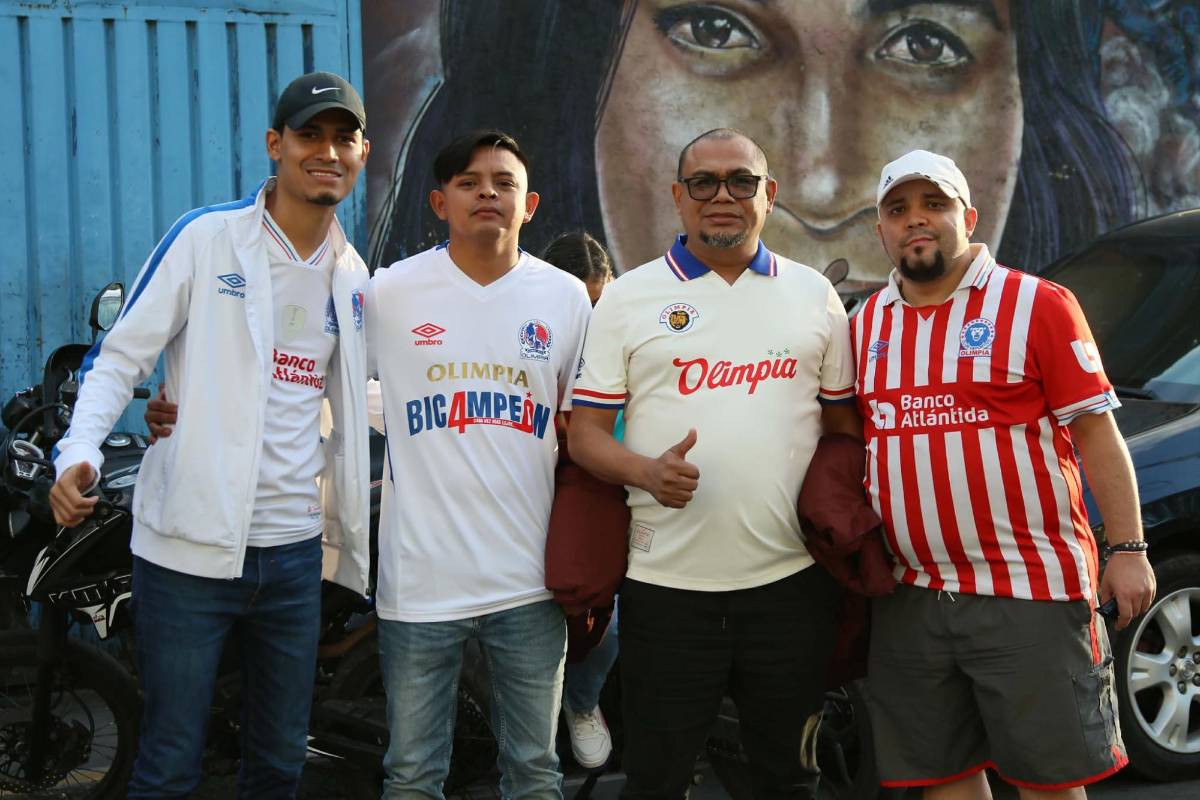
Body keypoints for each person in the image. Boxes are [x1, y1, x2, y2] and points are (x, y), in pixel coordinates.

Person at [48, 72, 372, 798]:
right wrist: (79, 454)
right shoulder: (207, 238)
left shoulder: (353, 277)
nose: (327, 151)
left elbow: (353, 399)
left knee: (278, 764)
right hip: (187, 557)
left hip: (292, 559)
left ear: (362, 153)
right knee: (168, 766)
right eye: (309, 135)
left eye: (342, 137)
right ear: (275, 145)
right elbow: (117, 359)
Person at [368, 1, 1137, 285]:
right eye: (713, 30)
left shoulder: (1034, 322)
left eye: (926, 45)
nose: (825, 181)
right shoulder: (565, 329)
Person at [854, 149, 1157, 798]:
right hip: (912, 595)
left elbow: (1098, 434)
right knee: (945, 779)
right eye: (898, 209)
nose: (916, 221)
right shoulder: (861, 326)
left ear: (968, 215)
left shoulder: (1036, 304)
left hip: (1030, 591)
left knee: (1049, 782)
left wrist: (1128, 548)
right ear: (879, 229)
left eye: (933, 205)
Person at [567, 128, 859, 799]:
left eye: (741, 181)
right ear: (678, 196)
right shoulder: (628, 298)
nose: (722, 196)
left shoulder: (814, 295)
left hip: (791, 588)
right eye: (703, 182)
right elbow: (584, 435)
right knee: (659, 782)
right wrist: (644, 471)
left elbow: (843, 429)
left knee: (789, 781)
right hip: (667, 592)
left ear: (770, 195)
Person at [367, 130, 592, 799]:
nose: (487, 192)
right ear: (439, 202)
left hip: (527, 583)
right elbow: (310, 376)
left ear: (530, 205)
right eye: (469, 182)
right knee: (410, 777)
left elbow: (585, 426)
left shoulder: (565, 298)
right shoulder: (389, 293)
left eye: (504, 182)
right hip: (418, 585)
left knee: (532, 774)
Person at [541, 231, 619, 770]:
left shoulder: (626, 341)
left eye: (600, 302)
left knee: (615, 617)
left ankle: (581, 702)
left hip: (605, 482)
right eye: (580, 303)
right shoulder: (528, 336)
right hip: (534, 484)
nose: (590, 318)